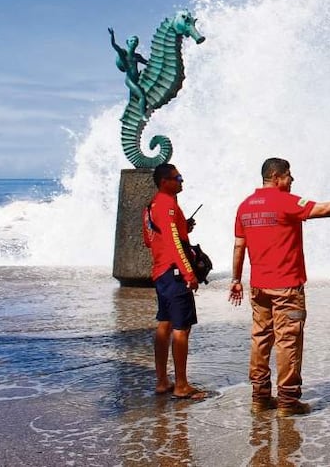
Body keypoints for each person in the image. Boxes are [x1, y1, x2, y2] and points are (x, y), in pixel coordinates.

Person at [227, 157, 330, 416]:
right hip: (286, 287)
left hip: (258, 287)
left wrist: (236, 280)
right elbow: (324, 210)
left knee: (260, 338)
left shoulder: (245, 206)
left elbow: (238, 246)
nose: (292, 180)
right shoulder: (286, 201)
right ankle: (288, 402)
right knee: (288, 341)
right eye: (289, 175)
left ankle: (259, 397)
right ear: (277, 177)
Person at [142, 162, 206, 400]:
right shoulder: (168, 205)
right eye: (177, 178)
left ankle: (162, 381)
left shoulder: (150, 207)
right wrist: (189, 273)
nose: (181, 181)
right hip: (174, 272)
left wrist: (183, 227)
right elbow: (173, 243)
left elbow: (151, 240)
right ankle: (181, 385)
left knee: (165, 324)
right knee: (182, 328)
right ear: (165, 182)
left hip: (160, 272)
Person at [108, 27, 149, 116]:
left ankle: (125, 116)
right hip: (129, 80)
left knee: (132, 101)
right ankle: (143, 115)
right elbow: (115, 45)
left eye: (136, 41)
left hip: (137, 79)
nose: (134, 42)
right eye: (132, 41)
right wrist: (112, 36)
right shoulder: (124, 54)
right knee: (141, 95)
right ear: (127, 42)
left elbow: (148, 63)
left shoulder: (137, 56)